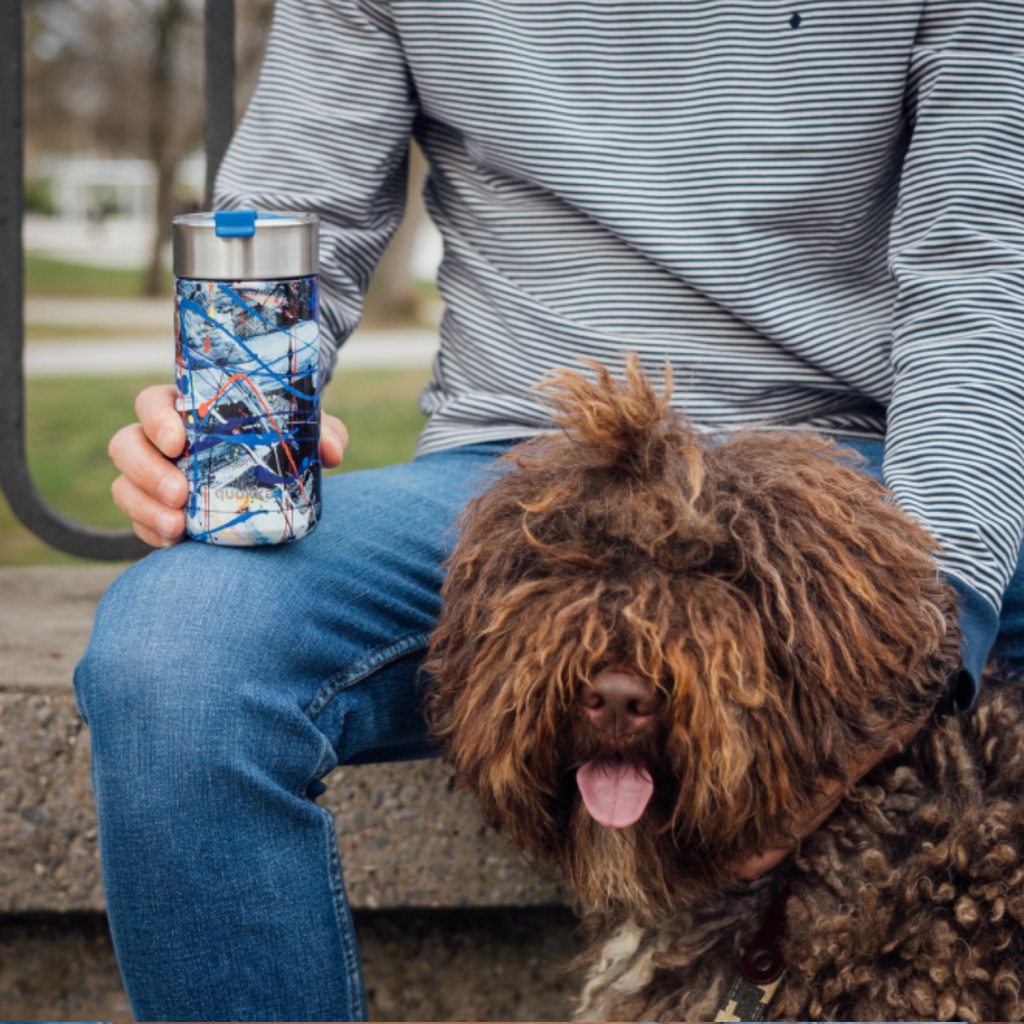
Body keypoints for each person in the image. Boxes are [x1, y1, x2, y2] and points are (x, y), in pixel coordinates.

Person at [74, 1, 1024, 1019]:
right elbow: (291, 213)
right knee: (173, 652)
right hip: (522, 478)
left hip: (860, 470)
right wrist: (217, 421)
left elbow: (981, 273)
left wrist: (919, 640)